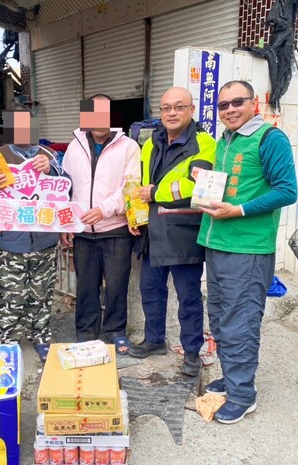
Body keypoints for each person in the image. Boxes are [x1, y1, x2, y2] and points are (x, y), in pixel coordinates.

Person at [197, 80, 298, 423]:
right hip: (218, 243)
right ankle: (233, 377)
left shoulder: (270, 138)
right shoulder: (225, 140)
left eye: (237, 102)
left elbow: (287, 190)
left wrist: (237, 211)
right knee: (222, 318)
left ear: (254, 103)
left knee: (240, 321)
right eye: (222, 105)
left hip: (248, 248)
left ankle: (243, 394)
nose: (229, 110)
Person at [127, 87, 216, 378]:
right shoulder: (151, 143)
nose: (172, 113)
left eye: (179, 107)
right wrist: (134, 214)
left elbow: (200, 188)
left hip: (182, 232)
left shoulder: (205, 143)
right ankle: (155, 340)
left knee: (188, 296)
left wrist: (156, 192)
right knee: (150, 290)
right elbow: (140, 184)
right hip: (151, 230)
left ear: (192, 110)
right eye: (166, 108)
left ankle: (192, 351)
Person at [0, 110, 64, 363]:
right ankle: (9, 340)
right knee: (11, 293)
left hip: (45, 238)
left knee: (42, 292)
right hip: (12, 240)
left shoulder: (49, 155)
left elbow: (65, 186)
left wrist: (51, 171)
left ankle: (41, 337)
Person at [60, 94, 141, 354]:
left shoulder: (129, 146)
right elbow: (65, 187)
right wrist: (66, 223)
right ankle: (85, 333)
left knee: (117, 284)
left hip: (115, 228)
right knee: (85, 286)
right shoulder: (74, 147)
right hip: (83, 231)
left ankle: (116, 331)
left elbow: (131, 186)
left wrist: (103, 210)